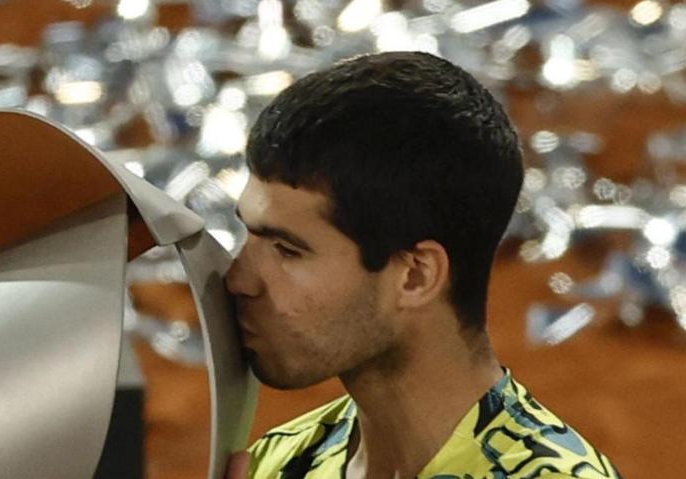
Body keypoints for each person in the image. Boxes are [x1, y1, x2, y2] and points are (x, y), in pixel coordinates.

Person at [222, 51, 622, 478]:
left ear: (416, 276)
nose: (238, 279)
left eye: (286, 249)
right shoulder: (279, 463)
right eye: (248, 235)